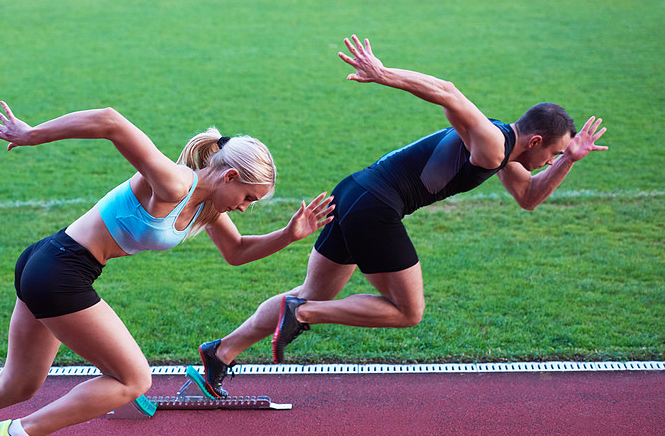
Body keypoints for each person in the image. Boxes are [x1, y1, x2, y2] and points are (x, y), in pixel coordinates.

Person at [0, 102, 335, 436]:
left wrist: (290, 235)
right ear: (230, 175)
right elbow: (109, 121)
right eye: (248, 197)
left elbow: (236, 254)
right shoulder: (175, 184)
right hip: (61, 271)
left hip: (49, 262)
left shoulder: (206, 206)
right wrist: (31, 134)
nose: (245, 207)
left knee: (17, 384)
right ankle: (20, 434)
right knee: (133, 379)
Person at [197, 34, 608, 394]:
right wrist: (382, 73)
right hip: (377, 206)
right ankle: (303, 315)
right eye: (552, 153)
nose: (547, 161)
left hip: (355, 191)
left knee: (313, 289)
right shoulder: (492, 143)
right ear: (535, 140)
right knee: (407, 311)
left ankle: (222, 352)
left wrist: (568, 160)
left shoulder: (502, 152)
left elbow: (530, 198)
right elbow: (448, 91)